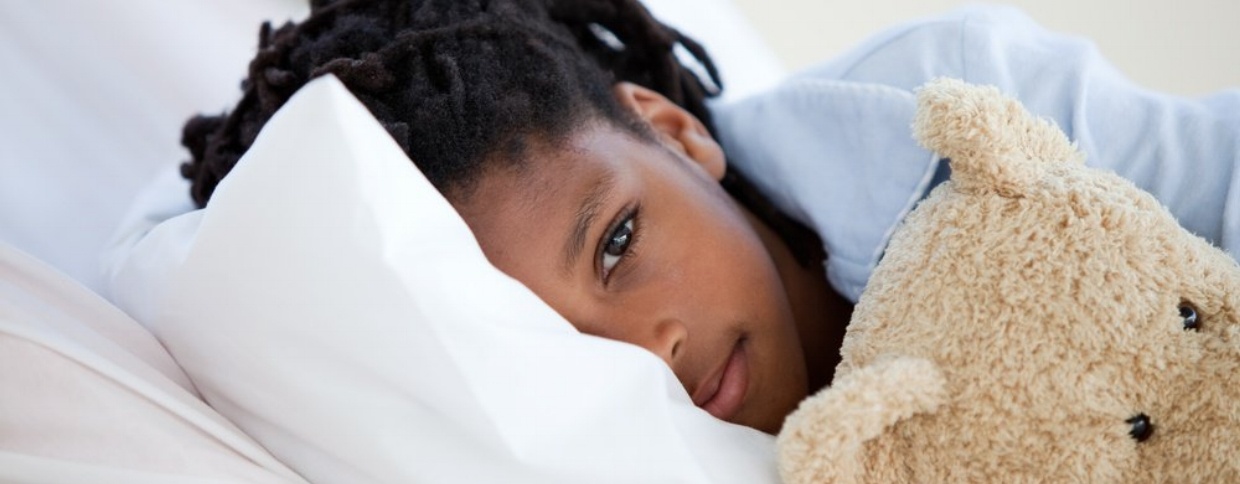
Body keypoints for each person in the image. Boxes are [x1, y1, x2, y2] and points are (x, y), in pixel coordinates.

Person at [178, 0, 1239, 435]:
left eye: (618, 243)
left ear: (674, 132)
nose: (647, 349)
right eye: (559, 344)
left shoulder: (943, 106)